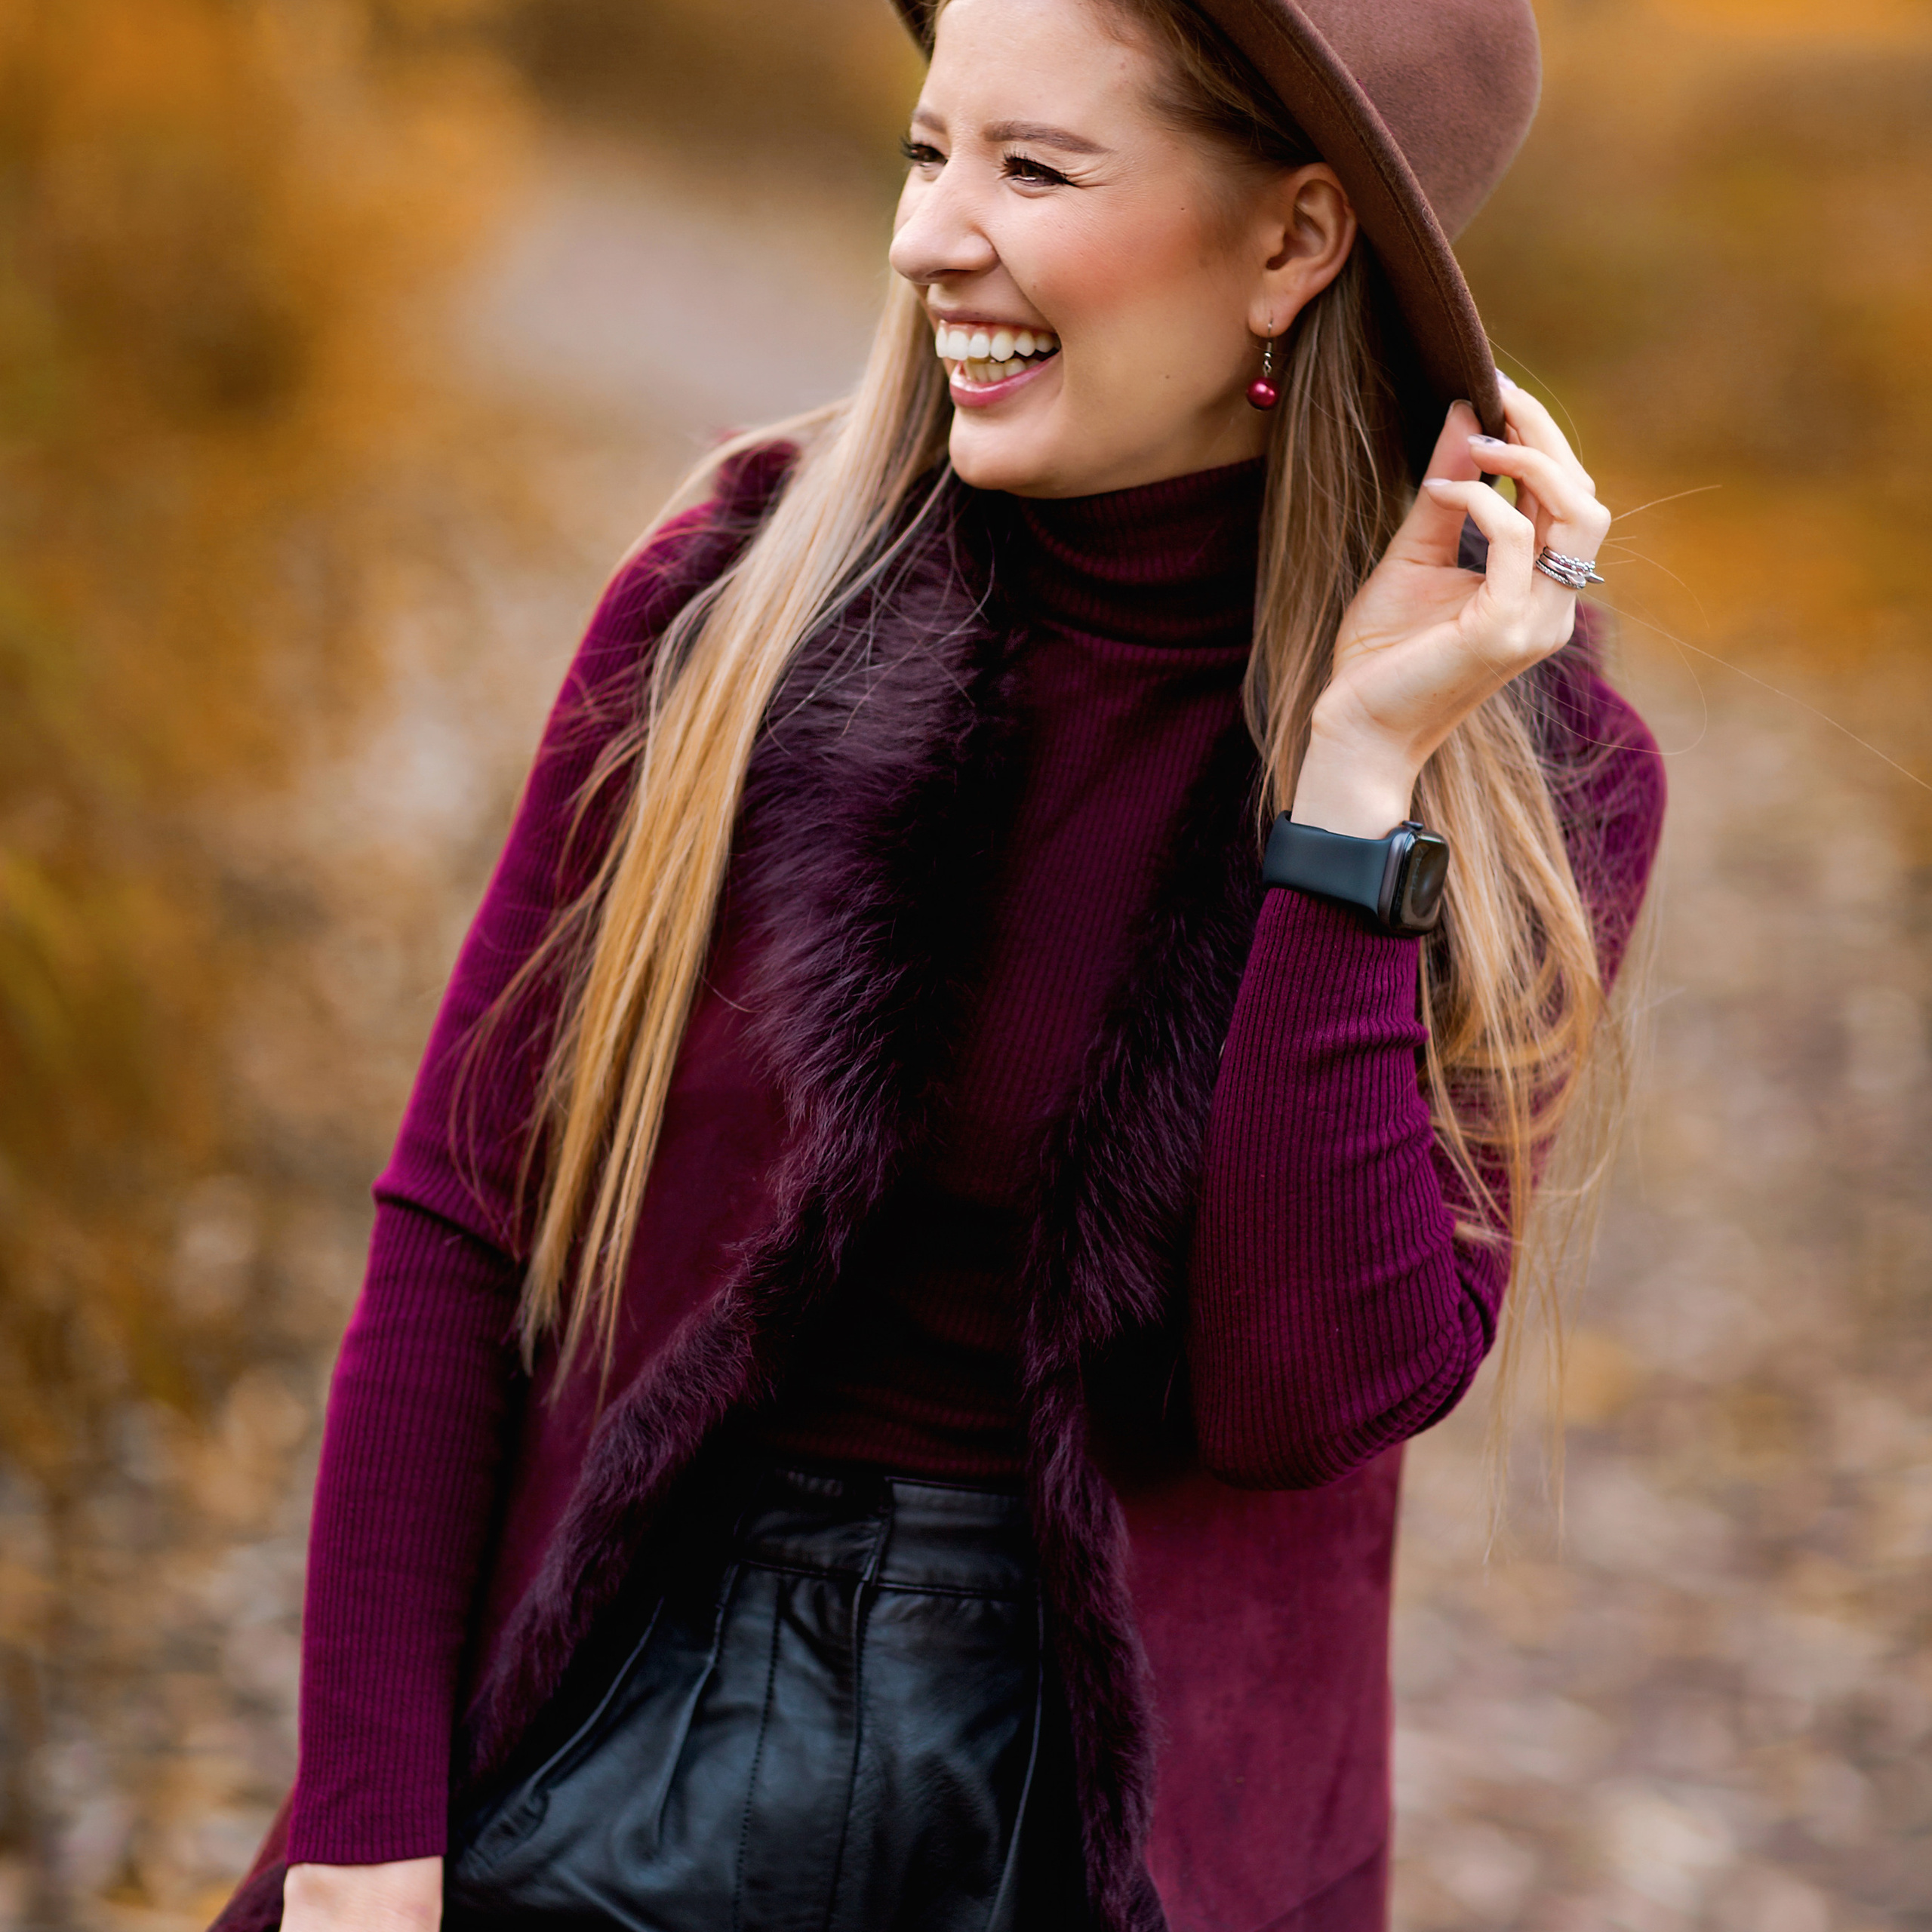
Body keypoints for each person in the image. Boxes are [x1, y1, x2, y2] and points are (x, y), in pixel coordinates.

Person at [212, 0, 1663, 1927]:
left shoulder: (1524, 779)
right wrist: (364, 1836)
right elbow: (462, 1222)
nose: (926, 238)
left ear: (1292, 245)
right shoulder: (734, 600)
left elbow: (1297, 1399)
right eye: (926, 150)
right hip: (602, 1714)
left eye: (1033, 167)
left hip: (1110, 1832)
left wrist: (1350, 794)